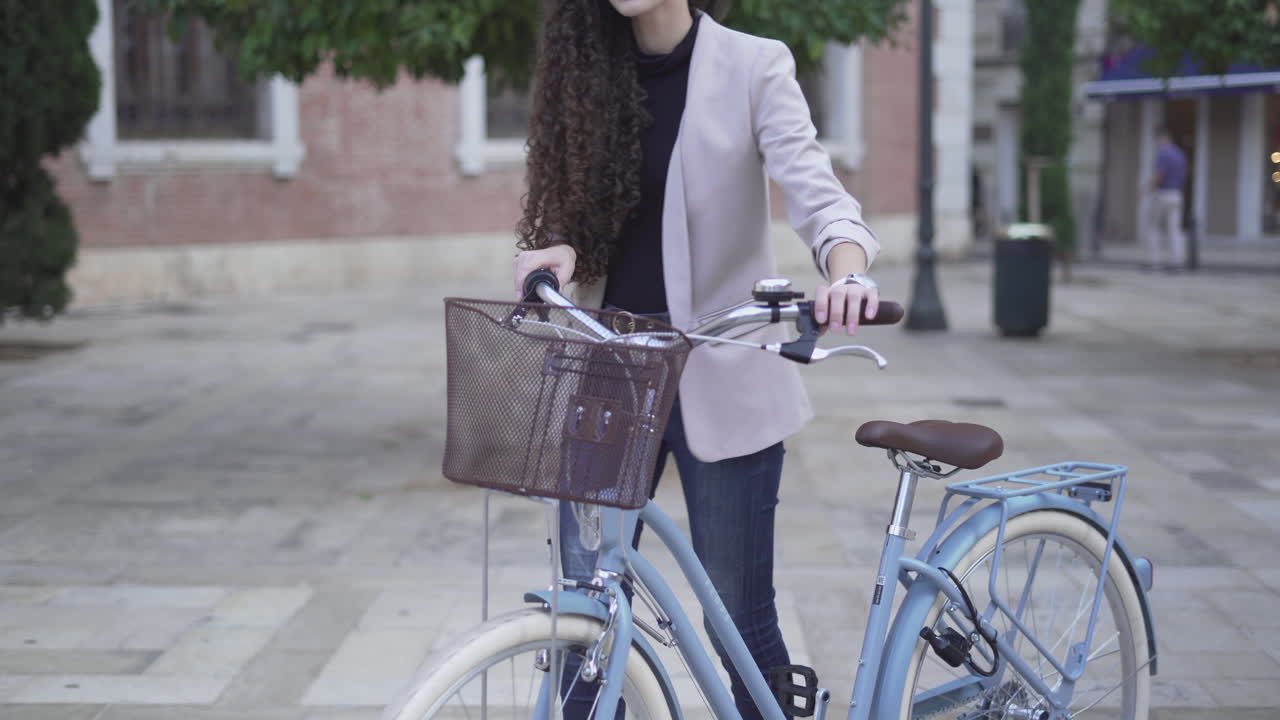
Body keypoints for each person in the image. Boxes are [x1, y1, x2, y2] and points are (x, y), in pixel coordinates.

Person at [510, 1, 881, 717]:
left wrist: (847, 270)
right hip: (610, 367)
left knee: (735, 618)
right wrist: (558, 247)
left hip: (724, 366)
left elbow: (818, 196)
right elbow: (572, 215)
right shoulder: (584, 72)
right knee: (584, 614)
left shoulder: (753, 64)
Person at [1147, 127, 1188, 271]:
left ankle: (1154, 262)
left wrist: (1147, 189)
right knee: (1175, 229)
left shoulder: (1162, 154)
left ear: (1162, 138)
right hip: (1177, 194)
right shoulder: (1179, 154)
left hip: (1163, 194)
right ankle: (1176, 262)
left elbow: (1159, 176)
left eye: (1157, 140)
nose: (1156, 143)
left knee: (1153, 227)